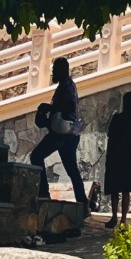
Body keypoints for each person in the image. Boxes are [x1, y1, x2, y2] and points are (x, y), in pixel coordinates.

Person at [29, 57, 88, 207]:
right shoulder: (66, 85)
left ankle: (43, 192)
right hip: (67, 134)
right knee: (72, 170)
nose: (53, 72)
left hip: (61, 134)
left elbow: (69, 106)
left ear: (63, 70)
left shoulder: (67, 86)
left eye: (55, 69)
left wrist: (50, 108)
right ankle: (83, 202)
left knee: (36, 156)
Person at [102, 91, 131, 227]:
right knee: (126, 189)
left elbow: (110, 138)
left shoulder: (117, 118)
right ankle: (123, 219)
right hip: (130, 155)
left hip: (116, 154)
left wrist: (108, 156)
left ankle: (114, 216)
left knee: (115, 188)